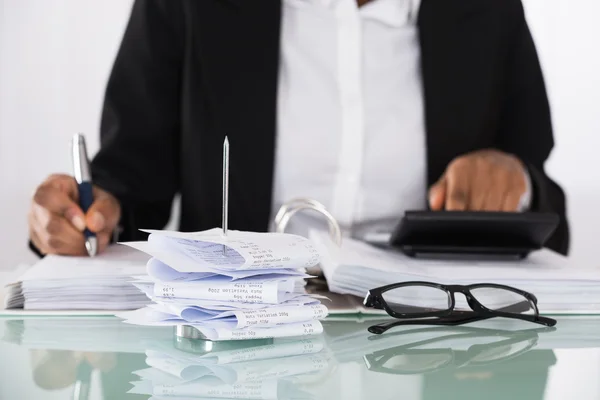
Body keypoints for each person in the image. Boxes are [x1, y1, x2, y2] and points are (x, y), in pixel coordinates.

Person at [27, 0, 569, 258]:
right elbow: (128, 180)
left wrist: (514, 180)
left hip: (440, 341)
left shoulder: (487, 11)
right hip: (235, 346)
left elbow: (544, 197)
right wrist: (86, 215)